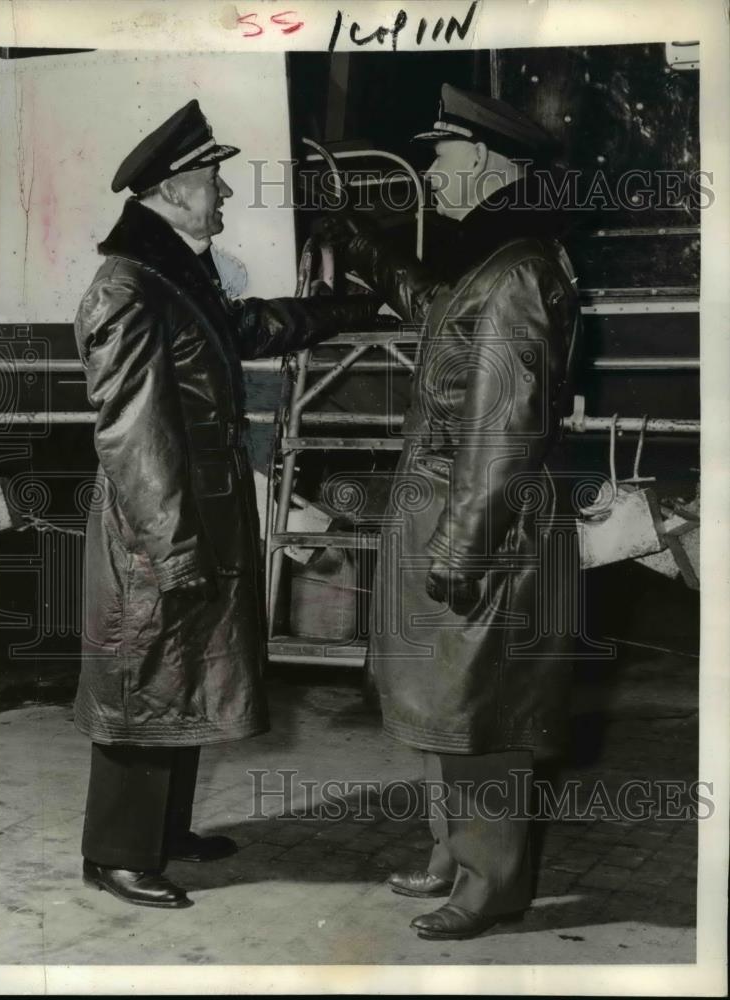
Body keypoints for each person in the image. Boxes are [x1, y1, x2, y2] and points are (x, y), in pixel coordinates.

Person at [74, 100, 382, 909]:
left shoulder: (170, 273)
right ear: (174, 191)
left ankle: (163, 834)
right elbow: (133, 434)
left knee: (179, 675)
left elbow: (243, 327)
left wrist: (343, 310)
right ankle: (115, 853)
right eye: (214, 182)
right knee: (145, 675)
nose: (226, 197)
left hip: (193, 508)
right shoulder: (128, 288)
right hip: (157, 519)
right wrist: (171, 548)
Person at [321, 83, 581, 940]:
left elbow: (502, 432)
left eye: (440, 157)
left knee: (482, 713)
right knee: (443, 702)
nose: (428, 174)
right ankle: (449, 852)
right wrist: (362, 248)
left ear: (487, 164)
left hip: (480, 523)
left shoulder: (520, 273)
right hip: (447, 511)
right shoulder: (491, 262)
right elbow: (436, 312)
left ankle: (490, 883)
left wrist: (464, 548)